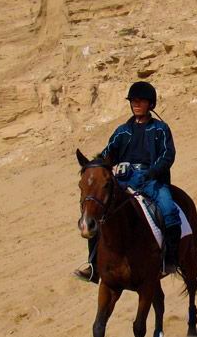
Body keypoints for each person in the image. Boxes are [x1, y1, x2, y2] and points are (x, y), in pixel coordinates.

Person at [74, 81, 180, 282]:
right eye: (133, 101)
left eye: (140, 101)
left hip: (151, 180)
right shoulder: (122, 131)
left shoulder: (160, 129)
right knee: (97, 211)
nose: (136, 104)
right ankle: (94, 265)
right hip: (123, 178)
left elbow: (168, 155)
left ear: (150, 104)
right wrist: (96, 166)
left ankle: (170, 259)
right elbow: (106, 155)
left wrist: (151, 172)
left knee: (168, 210)